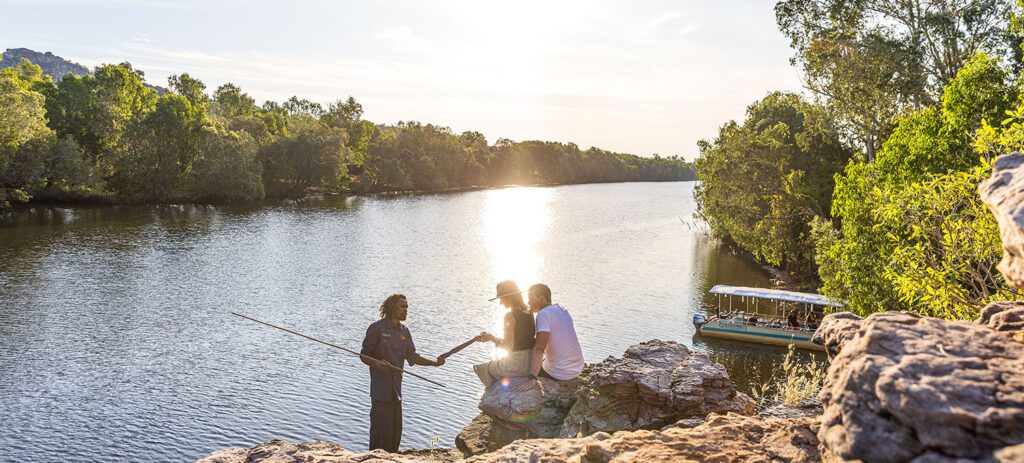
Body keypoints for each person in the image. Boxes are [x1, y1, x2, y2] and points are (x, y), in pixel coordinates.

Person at [360, 294, 444, 453]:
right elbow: (364, 355)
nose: (406, 310)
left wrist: (435, 363)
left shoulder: (404, 331)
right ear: (392, 308)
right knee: (380, 437)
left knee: (395, 435)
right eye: (402, 306)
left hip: (396, 393)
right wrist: (377, 363)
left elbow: (412, 357)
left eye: (407, 307)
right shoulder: (376, 328)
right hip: (380, 393)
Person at [514, 284, 584, 392]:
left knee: (521, 363)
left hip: (559, 373)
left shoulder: (543, 314)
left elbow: (539, 348)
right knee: (537, 356)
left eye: (531, 299)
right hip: (577, 369)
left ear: (542, 299)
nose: (528, 302)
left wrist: (532, 378)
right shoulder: (562, 310)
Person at [473, 280, 537, 386]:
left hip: (516, 365)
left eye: (501, 298)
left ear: (508, 297)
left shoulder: (509, 316)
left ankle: (493, 394)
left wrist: (493, 339)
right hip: (530, 363)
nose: (500, 302)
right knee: (496, 364)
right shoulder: (529, 313)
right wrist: (491, 338)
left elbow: (508, 348)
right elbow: (520, 341)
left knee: (481, 368)